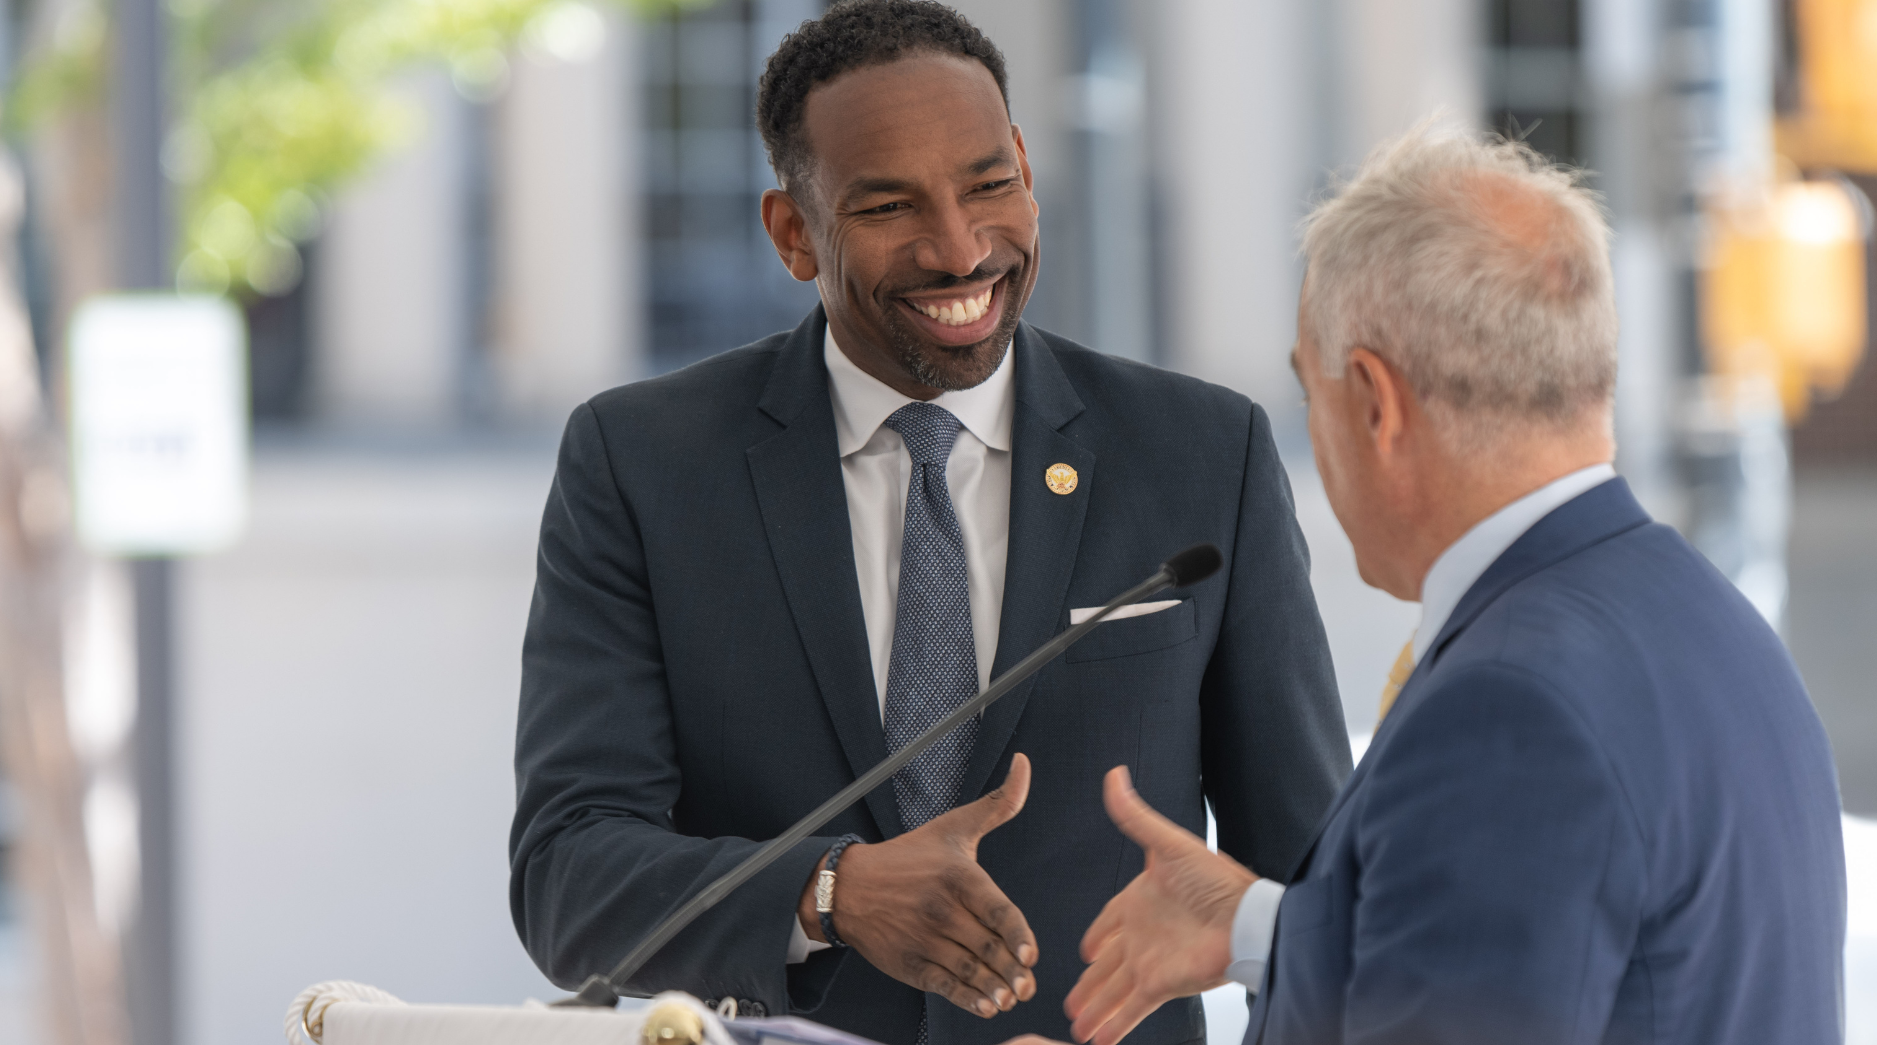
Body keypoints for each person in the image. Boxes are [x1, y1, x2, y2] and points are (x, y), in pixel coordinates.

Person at [507, 3, 1350, 1043]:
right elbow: (566, 875)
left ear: (1027, 168)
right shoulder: (642, 464)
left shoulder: (1200, 454)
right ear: (791, 234)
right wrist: (830, 891)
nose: (960, 250)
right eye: (887, 205)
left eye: (989, 184)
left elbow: (1318, 895)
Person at [1052, 126, 1846, 1045]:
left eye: (1311, 394)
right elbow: (1523, 952)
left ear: (1374, 402)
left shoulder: (1511, 704)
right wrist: (1256, 927)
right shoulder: (1706, 622)